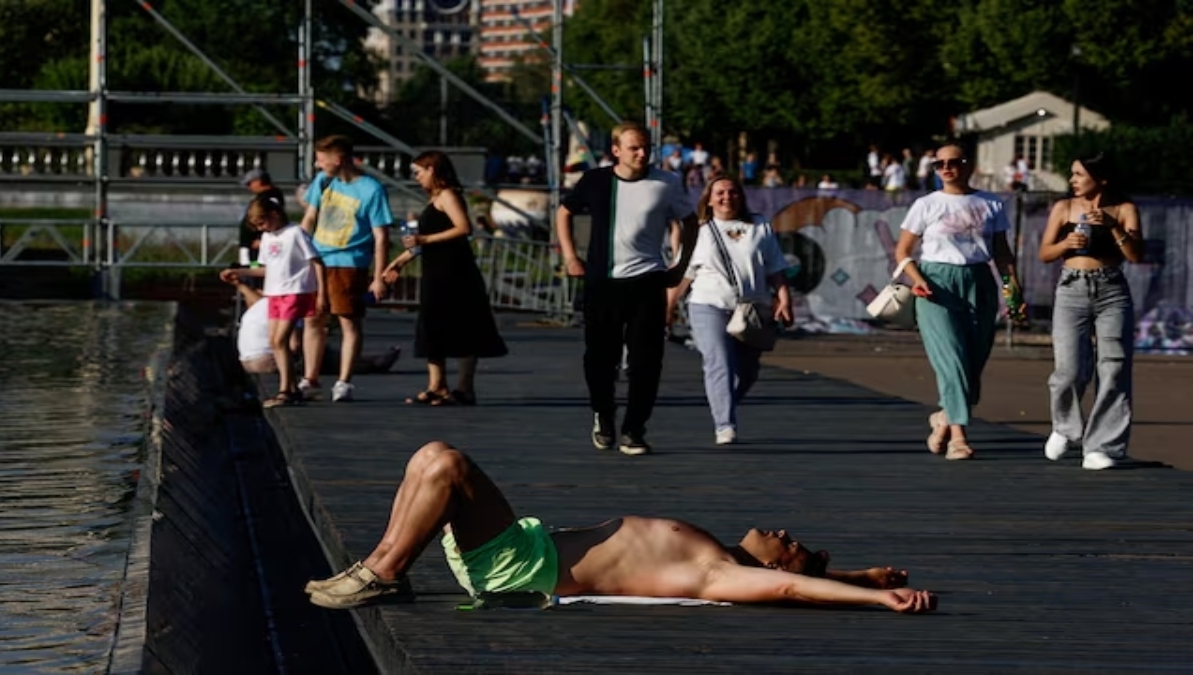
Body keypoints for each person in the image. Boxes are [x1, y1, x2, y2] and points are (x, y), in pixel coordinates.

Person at [303, 442, 937, 613]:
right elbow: (801, 578)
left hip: (519, 569)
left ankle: (383, 574)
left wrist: (876, 599)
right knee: (428, 456)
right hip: (526, 549)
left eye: (790, 545)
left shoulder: (713, 571)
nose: (783, 530)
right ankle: (381, 566)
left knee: (446, 465)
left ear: (769, 568)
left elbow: (796, 589)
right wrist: (859, 572)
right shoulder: (718, 553)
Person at [555, 121, 700, 456]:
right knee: (598, 360)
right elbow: (563, 212)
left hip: (647, 281)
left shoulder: (666, 182)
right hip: (602, 282)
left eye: (646, 147)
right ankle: (603, 415)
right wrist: (570, 256)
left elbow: (690, 222)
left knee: (646, 361)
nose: (642, 153)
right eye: (634, 147)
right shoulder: (595, 180)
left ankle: (635, 430)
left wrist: (680, 264)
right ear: (616, 150)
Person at [894, 143, 1020, 460]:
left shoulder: (991, 203)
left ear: (969, 165)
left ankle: (944, 418)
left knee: (974, 363)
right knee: (952, 361)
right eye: (940, 164)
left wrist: (1013, 290)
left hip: (979, 280)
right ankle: (959, 437)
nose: (947, 168)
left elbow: (1002, 252)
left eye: (954, 162)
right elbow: (903, 251)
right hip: (936, 283)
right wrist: (917, 278)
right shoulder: (926, 204)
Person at [667, 177, 793, 445]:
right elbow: (682, 276)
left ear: (741, 197)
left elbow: (775, 266)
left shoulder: (759, 226)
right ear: (709, 199)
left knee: (747, 372)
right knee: (718, 361)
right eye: (720, 193)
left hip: (751, 308)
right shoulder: (697, 232)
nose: (727, 197)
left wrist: (783, 297)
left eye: (733, 192)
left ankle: (723, 402)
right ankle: (724, 424)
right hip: (708, 304)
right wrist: (666, 308)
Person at [1037, 153, 1141, 470]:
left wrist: (1113, 228)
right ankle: (1065, 427)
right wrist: (1066, 244)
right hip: (1071, 288)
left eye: (1079, 174)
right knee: (1068, 369)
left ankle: (1102, 446)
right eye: (1073, 174)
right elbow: (1045, 253)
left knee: (1114, 367)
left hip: (1111, 289)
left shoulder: (1124, 209)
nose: (1073, 180)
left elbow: (1136, 255)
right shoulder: (1064, 208)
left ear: (1101, 179)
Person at [382, 151, 507, 406]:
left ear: (432, 170)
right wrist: (400, 261)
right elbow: (423, 242)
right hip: (435, 271)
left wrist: (423, 240)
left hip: (455, 271)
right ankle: (436, 385)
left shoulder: (448, 195)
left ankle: (464, 387)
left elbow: (463, 227)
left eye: (419, 172)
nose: (416, 178)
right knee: (432, 324)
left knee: (463, 326)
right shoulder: (434, 199)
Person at [299, 135, 392, 403]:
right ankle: (310, 377)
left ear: (337, 159)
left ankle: (344, 381)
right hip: (319, 258)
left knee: (348, 321)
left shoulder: (371, 189)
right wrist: (298, 251)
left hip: (349, 262)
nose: (318, 165)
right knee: (313, 319)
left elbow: (381, 236)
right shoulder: (324, 181)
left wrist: (378, 277)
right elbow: (310, 217)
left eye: (321, 160)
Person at [223, 196, 325, 408]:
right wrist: (238, 271)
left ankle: (285, 388)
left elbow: (316, 262)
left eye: (263, 223)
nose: (261, 228)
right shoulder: (268, 238)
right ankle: (292, 387)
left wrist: (321, 293)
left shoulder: (294, 233)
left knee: (279, 340)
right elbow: (267, 268)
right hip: (274, 293)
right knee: (275, 341)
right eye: (258, 226)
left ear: (275, 214)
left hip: (295, 291)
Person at [219, 271, 402, 377]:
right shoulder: (295, 306)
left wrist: (241, 285)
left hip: (247, 361)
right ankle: (370, 365)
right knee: (321, 352)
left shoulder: (272, 301)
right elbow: (295, 345)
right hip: (266, 361)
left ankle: (367, 360)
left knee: (317, 344)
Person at [237, 167, 285, 259]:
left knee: (254, 269)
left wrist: (261, 238)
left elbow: (271, 219)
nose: (249, 187)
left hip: (258, 246)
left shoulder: (271, 197)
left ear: (258, 181)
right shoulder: (262, 197)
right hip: (252, 245)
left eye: (249, 184)